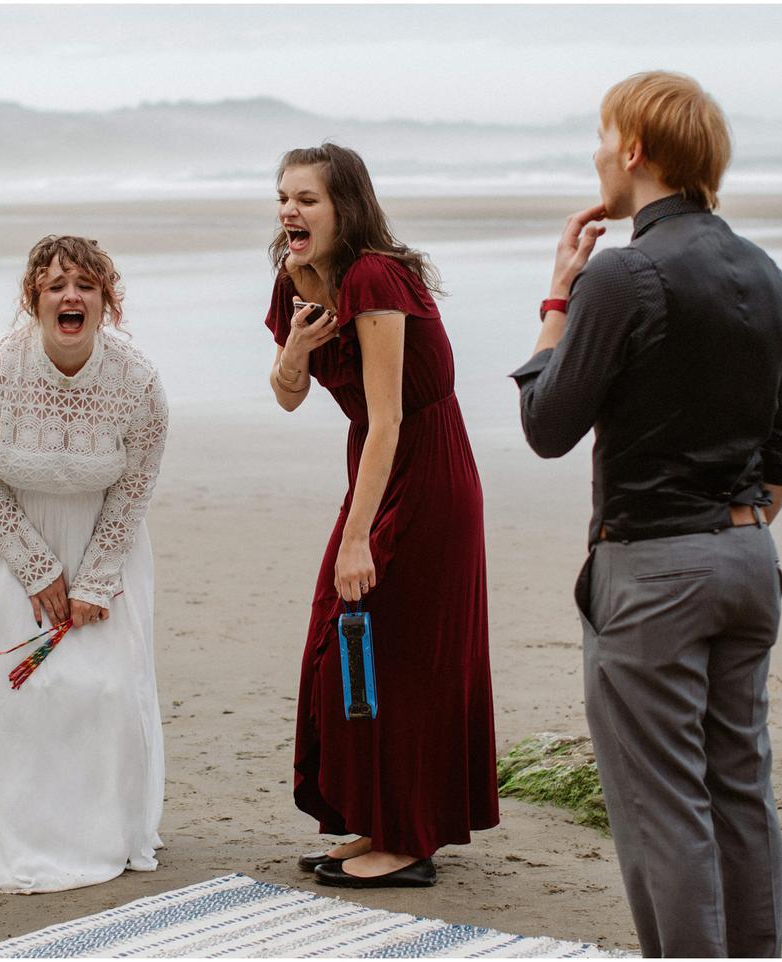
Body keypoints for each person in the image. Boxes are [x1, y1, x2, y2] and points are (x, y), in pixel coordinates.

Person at [510, 72, 782, 958]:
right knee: (741, 792)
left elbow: (546, 425)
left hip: (652, 571)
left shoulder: (620, 275)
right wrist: (732, 526)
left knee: (663, 807)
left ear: (636, 149)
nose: (598, 154)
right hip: (748, 559)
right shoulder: (763, 270)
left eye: (604, 137)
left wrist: (557, 300)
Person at [263, 144, 498, 889]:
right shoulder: (296, 277)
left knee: (401, 654)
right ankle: (378, 818)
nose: (289, 211)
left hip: (426, 471)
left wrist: (356, 537)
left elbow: (390, 415)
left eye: (306, 199)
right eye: (283, 197)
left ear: (345, 207)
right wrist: (296, 346)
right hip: (376, 465)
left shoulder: (375, 277)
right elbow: (288, 395)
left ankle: (407, 841)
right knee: (344, 642)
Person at [0, 235, 168, 893]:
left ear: (107, 302)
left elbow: (135, 485)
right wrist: (36, 568)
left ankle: (99, 831)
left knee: (104, 690)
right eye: (56, 286)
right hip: (2, 538)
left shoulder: (139, 381)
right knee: (22, 697)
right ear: (34, 299)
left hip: (101, 540)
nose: (70, 296)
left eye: (85, 285)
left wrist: (96, 578)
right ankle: (12, 831)